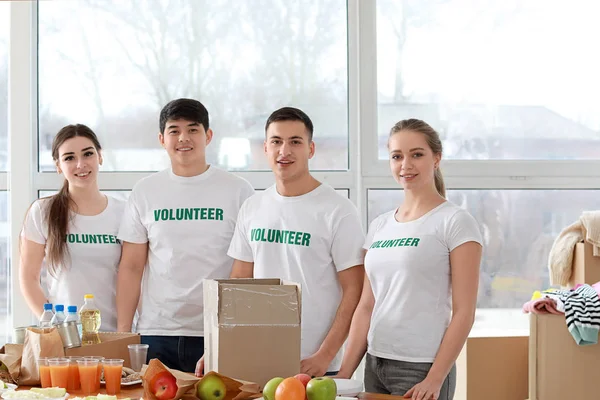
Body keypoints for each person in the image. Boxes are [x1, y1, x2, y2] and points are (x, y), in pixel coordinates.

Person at [196, 107, 365, 377]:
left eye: (295, 142)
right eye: (276, 141)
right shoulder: (253, 207)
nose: (284, 150)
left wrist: (325, 355)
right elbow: (239, 283)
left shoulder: (338, 210)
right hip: (257, 360)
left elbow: (354, 291)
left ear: (310, 149)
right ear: (265, 148)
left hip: (314, 366)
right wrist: (218, 348)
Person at [336, 119, 483, 400]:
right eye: (397, 156)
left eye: (417, 154)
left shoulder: (455, 222)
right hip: (374, 363)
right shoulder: (380, 225)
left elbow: (464, 312)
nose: (406, 165)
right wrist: (345, 373)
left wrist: (435, 378)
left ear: (436, 158)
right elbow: (367, 306)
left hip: (421, 368)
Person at [116, 98, 254, 372]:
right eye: (174, 130)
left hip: (216, 331)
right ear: (162, 138)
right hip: (156, 330)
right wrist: (124, 335)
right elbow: (131, 266)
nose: (184, 138)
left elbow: (247, 270)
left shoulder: (238, 191)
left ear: (208, 136)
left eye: (193, 130)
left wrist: (231, 332)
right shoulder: (145, 191)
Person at [20, 124, 125, 331]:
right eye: (69, 158)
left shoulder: (124, 211)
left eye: (88, 154)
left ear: (100, 157)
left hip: (114, 334)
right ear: (58, 165)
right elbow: (28, 278)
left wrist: (126, 331)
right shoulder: (42, 211)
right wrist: (53, 325)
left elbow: (134, 276)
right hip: (64, 336)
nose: (80, 164)